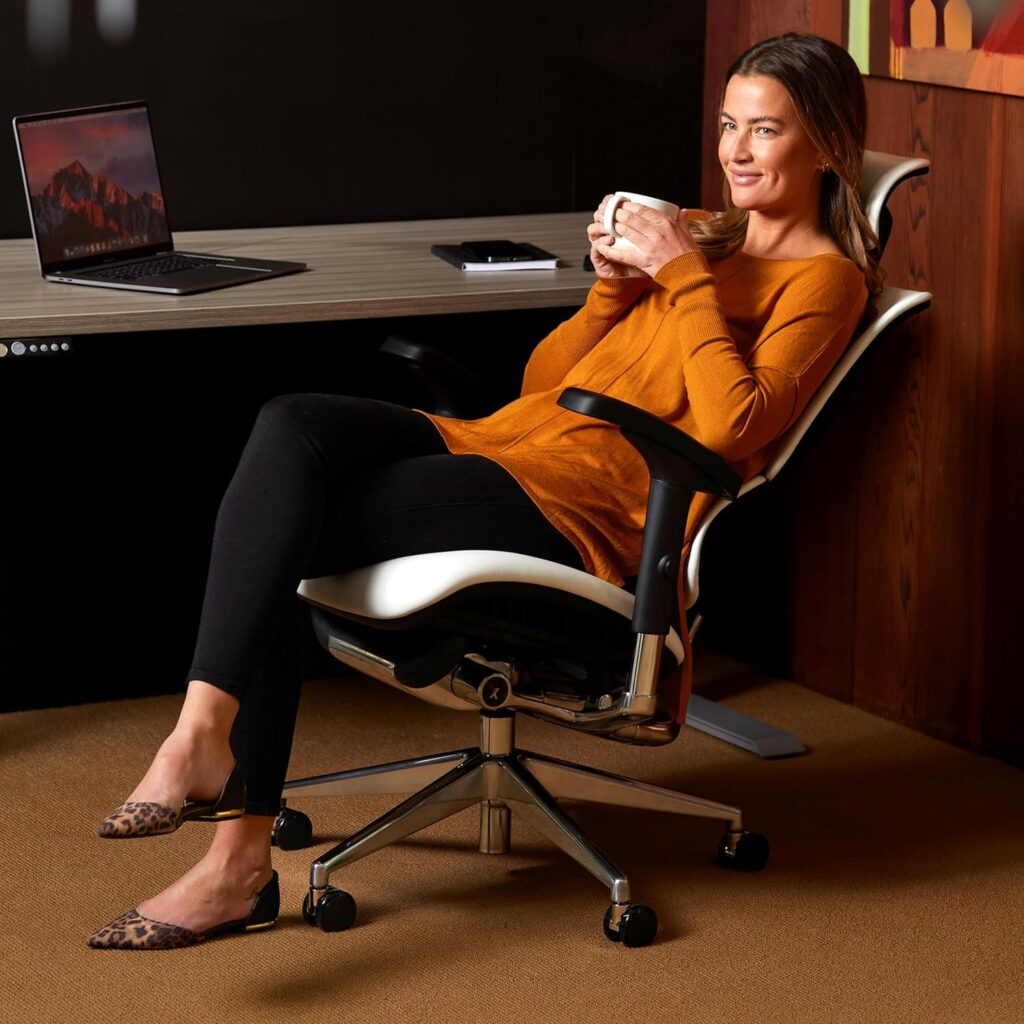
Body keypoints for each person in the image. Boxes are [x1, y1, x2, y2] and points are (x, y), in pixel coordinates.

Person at [87, 32, 874, 950]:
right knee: (289, 423)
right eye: (729, 125)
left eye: (765, 130)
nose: (735, 150)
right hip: (509, 443)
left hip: (575, 508)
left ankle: (233, 856)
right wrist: (612, 293)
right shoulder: (702, 233)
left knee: (281, 527)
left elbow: (736, 425)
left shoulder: (825, 281)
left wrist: (683, 277)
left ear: (824, 142)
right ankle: (201, 743)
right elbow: (542, 384)